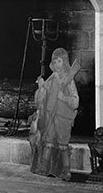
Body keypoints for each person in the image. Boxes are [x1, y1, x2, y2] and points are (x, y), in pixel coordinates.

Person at [30, 47, 80, 180]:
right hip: (51, 116)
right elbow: (45, 91)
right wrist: (42, 85)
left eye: (60, 61)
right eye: (55, 62)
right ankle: (44, 167)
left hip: (63, 117)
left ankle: (66, 171)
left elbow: (75, 101)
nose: (57, 65)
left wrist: (63, 98)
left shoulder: (68, 80)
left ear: (64, 62)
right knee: (48, 141)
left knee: (63, 145)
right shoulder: (53, 77)